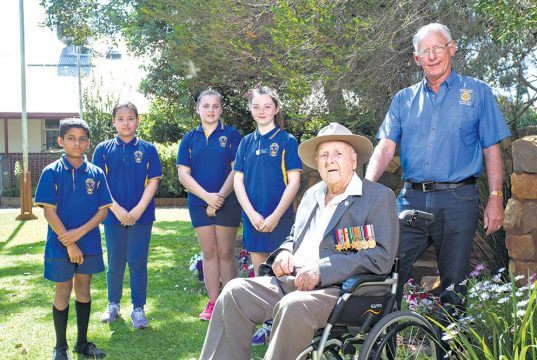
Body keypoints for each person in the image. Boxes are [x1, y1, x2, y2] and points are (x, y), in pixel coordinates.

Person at [200, 123, 398, 360]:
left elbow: (380, 257)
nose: (329, 160)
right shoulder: (311, 195)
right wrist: (284, 252)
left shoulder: (377, 197)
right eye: (323, 155)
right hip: (291, 280)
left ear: (353, 160)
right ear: (317, 162)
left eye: (338, 153)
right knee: (234, 291)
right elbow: (294, 237)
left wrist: (323, 270)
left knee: (292, 306)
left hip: (338, 290)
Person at [365, 23, 511, 315]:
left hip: (459, 201)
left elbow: (491, 150)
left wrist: (495, 197)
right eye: (425, 51)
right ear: (416, 58)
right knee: (386, 272)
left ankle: (450, 352)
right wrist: (364, 188)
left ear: (452, 49)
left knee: (454, 288)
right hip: (411, 200)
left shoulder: (478, 92)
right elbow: (386, 146)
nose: (432, 56)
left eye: (438, 48)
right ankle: (383, 348)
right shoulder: (403, 99)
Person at [35, 118, 112, 360]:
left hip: (87, 243)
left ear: (88, 142)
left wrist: (78, 235)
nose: (77, 143)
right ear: (60, 141)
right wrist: (69, 242)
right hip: (60, 244)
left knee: (83, 288)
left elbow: (103, 210)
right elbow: (49, 211)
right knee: (63, 289)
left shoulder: (96, 173)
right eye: (71, 138)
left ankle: (82, 342)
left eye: (82, 139)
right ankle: (60, 347)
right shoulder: (51, 173)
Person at [233, 85, 302, 344]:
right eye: (256, 107)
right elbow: (238, 181)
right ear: (250, 110)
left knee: (282, 274)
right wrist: (251, 214)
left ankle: (284, 325)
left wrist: (275, 216)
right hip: (253, 219)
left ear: (276, 109)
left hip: (280, 220)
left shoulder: (287, 141)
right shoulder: (245, 143)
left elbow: (293, 182)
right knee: (260, 272)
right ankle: (266, 324)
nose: (262, 111)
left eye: (267, 106)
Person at [93, 102, 162, 329]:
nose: (126, 123)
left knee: (137, 262)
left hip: (141, 217)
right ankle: (113, 304)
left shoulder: (148, 149)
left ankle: (138, 308)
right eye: (120, 118)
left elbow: (153, 181)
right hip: (113, 216)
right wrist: (117, 209)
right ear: (113, 122)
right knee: (115, 262)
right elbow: (100, 184)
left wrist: (138, 210)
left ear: (138, 120)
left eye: (130, 118)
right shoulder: (102, 150)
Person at [177, 89, 242, 321]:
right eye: (206, 106)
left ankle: (233, 303)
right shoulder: (189, 139)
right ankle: (214, 301)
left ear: (221, 109)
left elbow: (237, 170)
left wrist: (219, 198)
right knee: (209, 252)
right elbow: (184, 175)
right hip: (198, 203)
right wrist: (207, 198)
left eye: (215, 106)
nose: (211, 110)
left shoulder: (233, 135)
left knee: (225, 253)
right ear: (198, 109)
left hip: (229, 201)